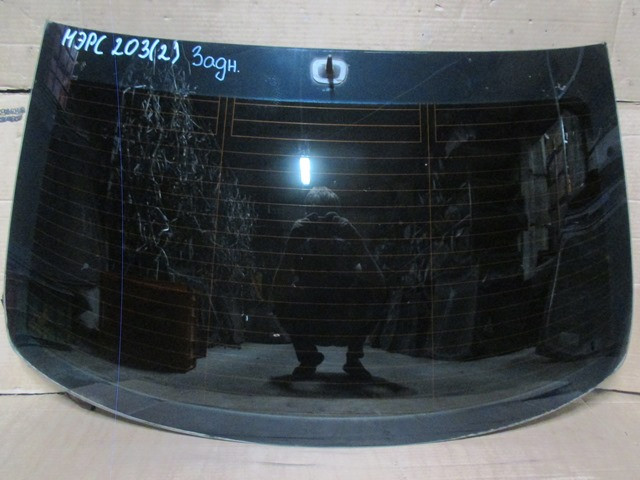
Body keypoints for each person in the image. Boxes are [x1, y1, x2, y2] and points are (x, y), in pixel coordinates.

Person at [272, 187, 385, 380]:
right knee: (285, 296)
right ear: (307, 217)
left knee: (370, 290)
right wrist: (292, 243)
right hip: (312, 321)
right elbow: (276, 293)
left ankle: (353, 357)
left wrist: (355, 239)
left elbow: (380, 287)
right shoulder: (301, 249)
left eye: (329, 216)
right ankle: (308, 356)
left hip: (342, 321)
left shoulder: (346, 248)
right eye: (316, 216)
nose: (323, 223)